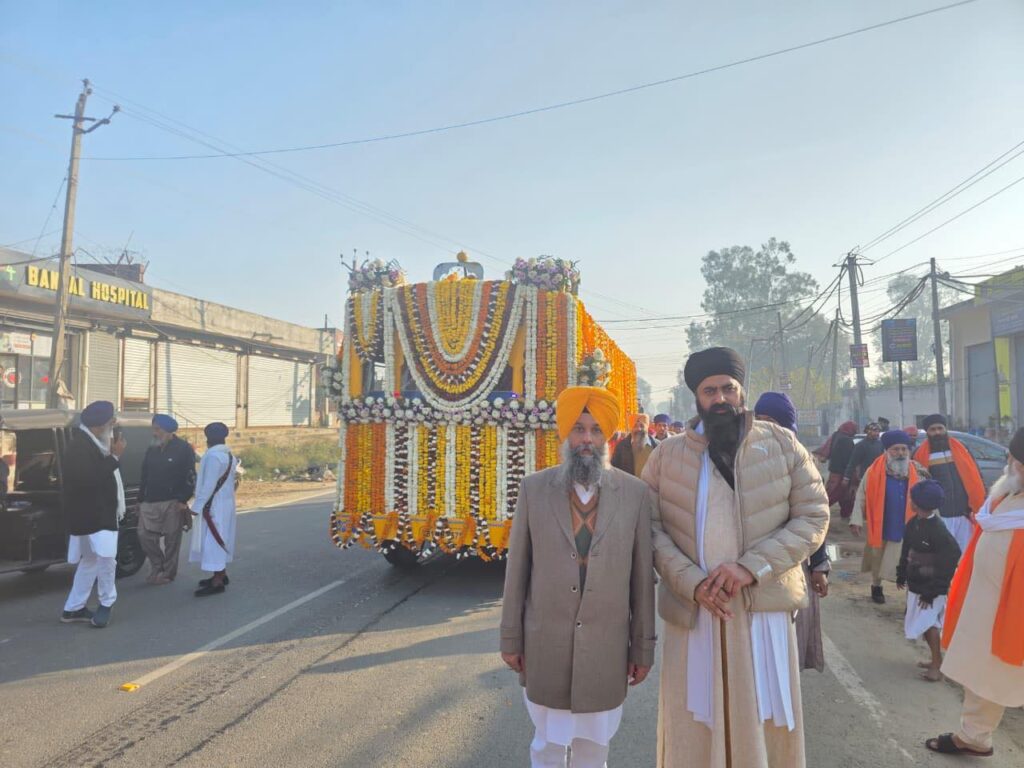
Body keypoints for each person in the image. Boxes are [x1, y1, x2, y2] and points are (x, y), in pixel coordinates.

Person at [643, 348, 829, 768]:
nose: (720, 398)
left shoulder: (781, 445)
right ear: (696, 398)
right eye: (709, 391)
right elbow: (650, 530)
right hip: (696, 608)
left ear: (742, 391)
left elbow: (814, 515)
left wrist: (751, 567)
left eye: (728, 388)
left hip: (761, 606)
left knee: (764, 721)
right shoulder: (666, 456)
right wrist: (692, 583)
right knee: (695, 724)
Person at [501, 385, 656, 768]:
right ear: (565, 433)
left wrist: (642, 649)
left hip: (606, 649)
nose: (587, 439)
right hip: (545, 646)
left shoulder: (634, 494)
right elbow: (517, 572)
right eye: (578, 429)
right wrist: (511, 638)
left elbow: (641, 583)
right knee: (547, 747)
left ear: (609, 436)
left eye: (596, 430)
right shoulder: (534, 489)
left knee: (594, 748)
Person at [925, 429, 1024, 758]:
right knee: (985, 671)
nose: (1009, 463)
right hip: (986, 604)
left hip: (1012, 609)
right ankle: (974, 737)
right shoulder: (1006, 493)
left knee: (999, 672)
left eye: (1013, 459)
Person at [754, 392, 830, 673]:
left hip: (793, 561)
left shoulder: (802, 462)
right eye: (759, 420)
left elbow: (815, 517)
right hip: (754, 564)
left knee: (788, 643)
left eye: (771, 421)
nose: (764, 427)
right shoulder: (744, 459)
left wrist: (819, 566)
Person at [60, 401, 126, 629]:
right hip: (94, 515)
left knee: (91, 561)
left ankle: (74, 608)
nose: (114, 425)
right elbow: (87, 480)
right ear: (101, 424)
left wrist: (111, 455)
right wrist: (114, 458)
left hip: (94, 515)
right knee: (106, 559)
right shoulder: (80, 446)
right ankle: (106, 603)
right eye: (111, 421)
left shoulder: (93, 442)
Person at [850, 430, 929, 604]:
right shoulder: (873, 471)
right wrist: (856, 519)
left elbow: (928, 497)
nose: (900, 453)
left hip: (909, 523)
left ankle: (910, 595)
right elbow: (861, 495)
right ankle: (876, 586)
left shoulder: (918, 470)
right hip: (883, 521)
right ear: (886, 450)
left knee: (910, 560)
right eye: (896, 449)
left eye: (904, 449)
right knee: (878, 557)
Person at [896, 479, 961, 682]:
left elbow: (951, 557)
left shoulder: (938, 530)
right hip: (917, 584)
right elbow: (906, 549)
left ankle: (937, 665)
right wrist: (901, 573)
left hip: (931, 589)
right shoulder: (913, 523)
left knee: (929, 623)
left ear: (916, 503)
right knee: (924, 622)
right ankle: (935, 660)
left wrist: (932, 591)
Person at [912, 414, 986, 553]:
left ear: (945, 429)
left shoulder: (962, 448)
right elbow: (917, 486)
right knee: (944, 554)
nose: (937, 432)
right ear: (927, 432)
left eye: (940, 428)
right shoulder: (919, 454)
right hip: (940, 515)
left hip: (964, 513)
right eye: (933, 429)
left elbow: (976, 474)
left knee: (966, 553)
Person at [138, 414, 196, 585]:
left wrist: (183, 500)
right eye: (153, 429)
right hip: (150, 501)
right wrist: (140, 499)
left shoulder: (183, 448)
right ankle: (158, 566)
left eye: (158, 429)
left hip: (173, 502)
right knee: (144, 535)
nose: (154, 433)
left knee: (172, 540)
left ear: (169, 431)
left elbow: (190, 476)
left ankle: (168, 573)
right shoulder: (152, 448)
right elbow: (144, 475)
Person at [190, 422, 239, 596]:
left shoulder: (213, 457)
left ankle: (217, 582)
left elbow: (208, 486)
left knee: (214, 541)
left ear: (207, 438)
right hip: (224, 504)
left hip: (214, 506)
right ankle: (220, 574)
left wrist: (195, 507)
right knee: (220, 538)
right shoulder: (229, 455)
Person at [820, 421, 858, 520]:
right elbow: (849, 459)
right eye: (855, 429)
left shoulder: (836, 435)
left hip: (834, 470)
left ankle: (844, 515)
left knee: (842, 495)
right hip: (842, 473)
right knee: (835, 495)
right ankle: (817, 512)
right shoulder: (847, 441)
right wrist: (849, 474)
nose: (856, 431)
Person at [611, 413, 658, 478]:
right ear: (631, 427)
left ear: (647, 427)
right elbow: (614, 470)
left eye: (642, 426)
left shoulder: (657, 446)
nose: (638, 429)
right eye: (635, 426)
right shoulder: (621, 446)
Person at [843, 422, 883, 491]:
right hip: (865, 476)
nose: (877, 433)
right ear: (868, 431)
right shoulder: (861, 445)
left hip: (878, 475)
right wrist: (846, 477)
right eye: (875, 431)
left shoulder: (880, 444)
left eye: (878, 431)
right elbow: (853, 462)